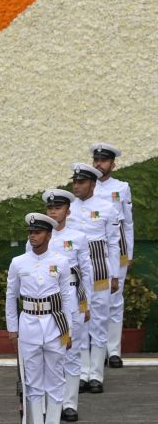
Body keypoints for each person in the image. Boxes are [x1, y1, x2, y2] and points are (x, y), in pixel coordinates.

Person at [5, 213, 75, 424]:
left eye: (37, 232)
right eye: (31, 232)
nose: (33, 236)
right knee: (32, 382)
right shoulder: (18, 263)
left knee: (55, 381)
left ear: (49, 234)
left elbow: (67, 298)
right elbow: (11, 297)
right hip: (29, 323)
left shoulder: (61, 261)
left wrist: (69, 331)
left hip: (55, 323)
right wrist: (12, 329)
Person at [67, 163, 121, 393]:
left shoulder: (107, 208)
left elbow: (113, 243)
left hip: (99, 269)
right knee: (79, 324)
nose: (76, 186)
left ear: (92, 183)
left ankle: (96, 375)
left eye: (81, 182)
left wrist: (115, 275)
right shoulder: (67, 208)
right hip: (76, 271)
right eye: (75, 182)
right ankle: (81, 373)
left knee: (98, 321)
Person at [39, 190, 92, 422]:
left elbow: (87, 272)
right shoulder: (39, 236)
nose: (53, 211)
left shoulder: (78, 237)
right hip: (46, 299)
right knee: (48, 354)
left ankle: (69, 403)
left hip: (70, 295)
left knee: (71, 351)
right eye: (50, 208)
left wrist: (86, 303)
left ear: (68, 211)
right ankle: (49, 403)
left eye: (58, 207)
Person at [91, 143, 134, 367]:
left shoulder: (122, 187)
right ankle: (94, 349)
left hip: (118, 247)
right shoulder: (87, 187)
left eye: (104, 160)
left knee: (115, 299)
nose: (99, 164)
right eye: (96, 160)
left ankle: (113, 350)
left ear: (112, 164)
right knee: (95, 300)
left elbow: (128, 223)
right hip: (95, 249)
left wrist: (129, 254)